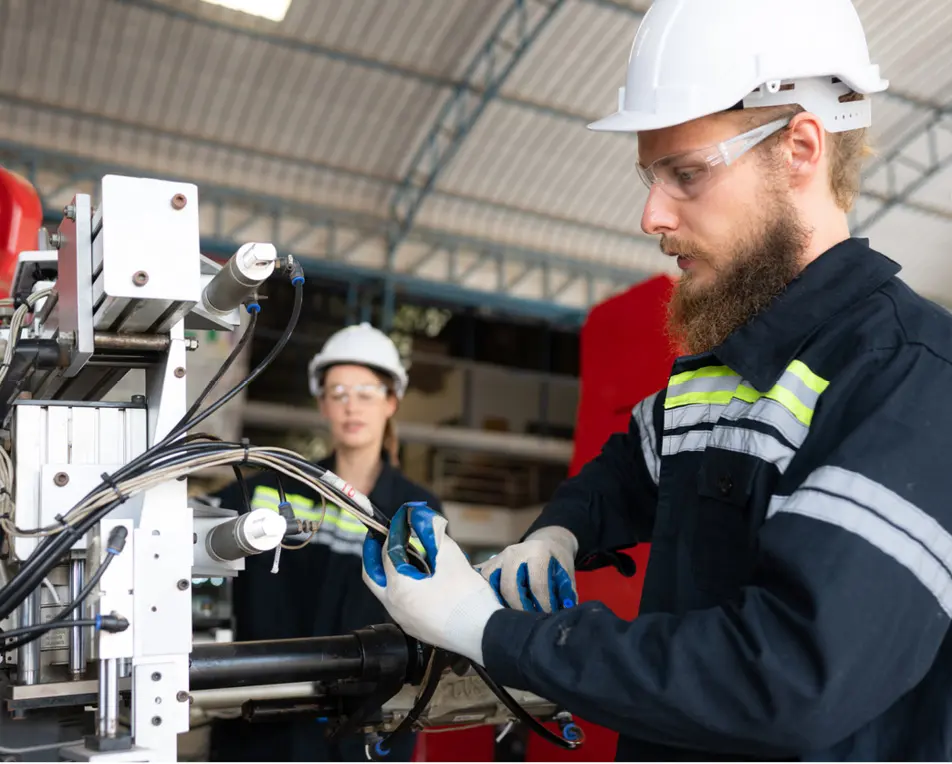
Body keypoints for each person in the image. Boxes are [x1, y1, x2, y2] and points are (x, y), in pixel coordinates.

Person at [360, 0, 952, 760]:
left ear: (800, 147)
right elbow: (630, 468)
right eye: (649, 175)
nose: (650, 214)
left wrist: (493, 631)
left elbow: (783, 678)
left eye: (686, 173)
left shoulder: (912, 381)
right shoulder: (723, 363)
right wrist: (561, 532)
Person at [208, 322, 441, 762]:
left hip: (362, 728)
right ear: (322, 403)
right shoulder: (271, 489)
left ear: (391, 401)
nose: (352, 406)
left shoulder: (415, 511)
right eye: (338, 392)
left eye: (367, 391)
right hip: (261, 722)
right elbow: (191, 526)